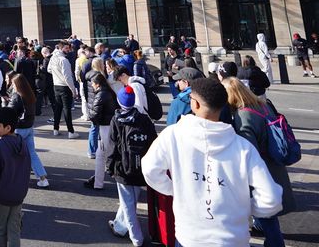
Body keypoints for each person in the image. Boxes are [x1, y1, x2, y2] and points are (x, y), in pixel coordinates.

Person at [142, 78, 283, 247]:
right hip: (233, 238)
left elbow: (150, 169)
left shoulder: (172, 135)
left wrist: (173, 189)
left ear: (196, 105)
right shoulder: (243, 147)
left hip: (190, 236)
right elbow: (271, 198)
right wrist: (246, 209)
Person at [222, 77, 295, 246]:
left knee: (268, 217)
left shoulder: (243, 115)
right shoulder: (263, 104)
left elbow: (248, 150)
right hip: (274, 164)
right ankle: (261, 226)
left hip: (262, 167)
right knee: (267, 213)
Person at [107, 86, 157, 247]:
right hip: (140, 165)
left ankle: (136, 238)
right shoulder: (143, 118)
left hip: (123, 167)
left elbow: (112, 146)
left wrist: (109, 166)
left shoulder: (116, 119)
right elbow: (153, 142)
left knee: (128, 204)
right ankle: (120, 226)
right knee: (131, 199)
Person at [0, 107, 30, 247]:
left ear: (8, 127)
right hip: (19, 194)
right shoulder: (22, 143)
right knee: (14, 230)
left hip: (2, 195)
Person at [5, 72, 48, 188]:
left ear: (17, 84)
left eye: (13, 84)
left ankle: (13, 178)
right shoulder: (29, 94)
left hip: (18, 128)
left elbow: (8, 112)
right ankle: (42, 178)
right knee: (32, 153)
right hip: (28, 127)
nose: (12, 86)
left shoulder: (17, 96)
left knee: (12, 154)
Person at [84, 73, 117, 190]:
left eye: (92, 84)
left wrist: (89, 114)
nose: (92, 86)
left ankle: (99, 182)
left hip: (105, 127)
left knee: (107, 156)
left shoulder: (101, 94)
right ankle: (98, 182)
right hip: (110, 126)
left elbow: (95, 114)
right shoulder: (109, 92)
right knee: (102, 155)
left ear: (97, 84)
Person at [48, 41, 78, 138]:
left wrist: (57, 75)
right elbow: (68, 77)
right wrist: (73, 90)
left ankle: (55, 129)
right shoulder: (64, 60)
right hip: (64, 86)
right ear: (61, 48)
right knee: (66, 109)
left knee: (58, 108)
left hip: (56, 85)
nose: (68, 50)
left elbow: (49, 69)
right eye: (66, 48)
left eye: (68, 48)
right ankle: (71, 132)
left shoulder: (53, 58)